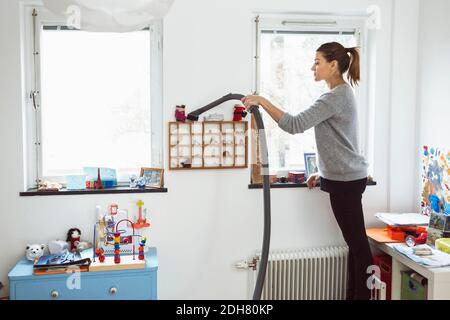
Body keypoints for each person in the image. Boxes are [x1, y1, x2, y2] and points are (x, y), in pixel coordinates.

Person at [242, 42, 372, 300]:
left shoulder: (336, 96)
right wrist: (322, 173)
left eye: (317, 62)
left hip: (346, 180)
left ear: (333, 65)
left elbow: (294, 124)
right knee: (354, 245)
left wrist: (262, 101)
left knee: (358, 247)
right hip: (343, 178)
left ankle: (362, 297)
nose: (312, 67)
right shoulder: (340, 94)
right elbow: (339, 140)